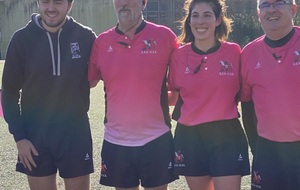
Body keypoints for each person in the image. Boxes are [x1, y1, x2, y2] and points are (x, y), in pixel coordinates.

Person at [1, 0, 96, 189]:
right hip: (35, 134)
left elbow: (98, 76)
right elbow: (9, 92)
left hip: (75, 133)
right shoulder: (22, 39)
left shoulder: (86, 37)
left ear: (70, 5)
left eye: (58, 2)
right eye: (45, 1)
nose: (51, 8)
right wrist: (20, 138)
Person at [88, 0, 179, 189]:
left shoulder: (164, 37)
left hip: (156, 139)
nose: (123, 4)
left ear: (144, 3)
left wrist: (156, 102)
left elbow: (180, 86)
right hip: (116, 141)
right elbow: (89, 82)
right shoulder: (102, 42)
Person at [169, 0, 250, 189]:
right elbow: (175, 94)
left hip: (226, 135)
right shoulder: (178, 56)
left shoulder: (233, 52)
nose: (200, 21)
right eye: (195, 16)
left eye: (207, 15)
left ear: (218, 19)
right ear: (189, 21)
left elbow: (241, 92)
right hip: (190, 137)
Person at [241, 0, 300, 189]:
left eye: (279, 3)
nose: (271, 9)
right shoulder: (248, 53)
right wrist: (256, 148)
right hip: (267, 152)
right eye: (265, 5)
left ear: (293, 9)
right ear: (259, 13)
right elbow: (247, 106)